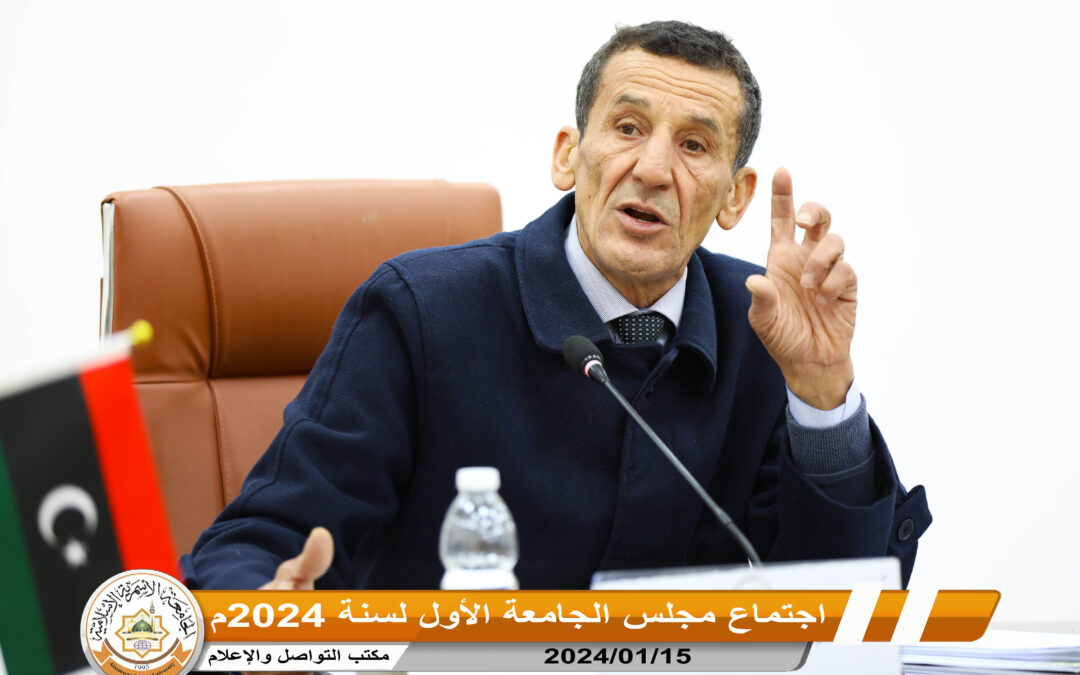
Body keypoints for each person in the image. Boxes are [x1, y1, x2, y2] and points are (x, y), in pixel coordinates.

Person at [181, 20, 930, 592]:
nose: (652, 168)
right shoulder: (422, 312)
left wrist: (821, 394)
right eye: (628, 128)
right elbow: (261, 542)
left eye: (695, 145)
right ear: (568, 155)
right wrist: (264, 616)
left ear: (734, 197)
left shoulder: (765, 328)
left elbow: (840, 603)